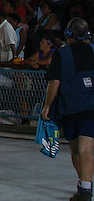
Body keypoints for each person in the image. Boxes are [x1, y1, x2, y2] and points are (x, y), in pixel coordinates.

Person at [42, 18, 94, 201]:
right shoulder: (93, 50)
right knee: (86, 149)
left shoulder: (61, 54)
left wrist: (47, 106)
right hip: (91, 105)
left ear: (68, 34)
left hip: (70, 106)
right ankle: (85, 187)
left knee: (75, 150)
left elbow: (54, 82)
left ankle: (85, 187)